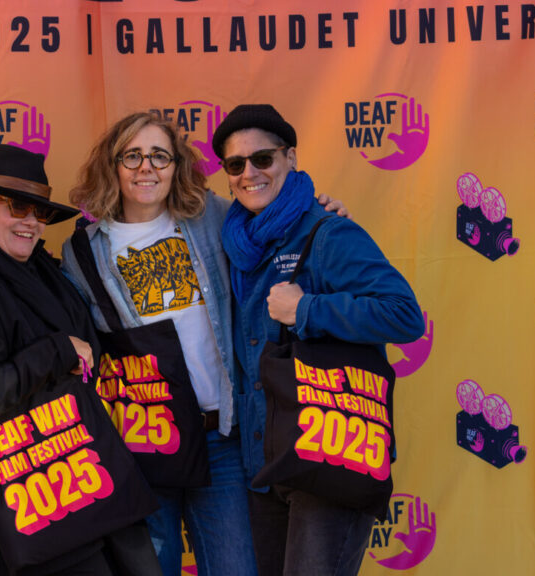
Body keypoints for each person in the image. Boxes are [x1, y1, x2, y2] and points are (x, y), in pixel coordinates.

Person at [61, 111, 346, 576]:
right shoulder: (81, 251)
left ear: (177, 166)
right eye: (132, 156)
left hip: (223, 437)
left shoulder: (214, 216)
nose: (146, 167)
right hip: (144, 443)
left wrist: (323, 211)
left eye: (159, 155)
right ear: (112, 165)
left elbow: (281, 224)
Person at [212, 104, 425, 575]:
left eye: (263, 158)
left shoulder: (327, 232)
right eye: (235, 164)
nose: (250, 173)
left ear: (290, 158)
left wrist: (307, 309)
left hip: (327, 454)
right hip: (262, 465)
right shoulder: (234, 245)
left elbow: (405, 315)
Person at [0, 144, 162, 576]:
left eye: (39, 213)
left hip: (88, 470)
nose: (30, 222)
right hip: (39, 489)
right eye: (18, 206)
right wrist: (57, 350)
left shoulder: (47, 273)